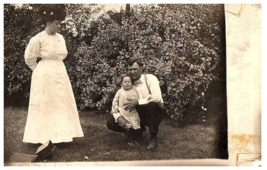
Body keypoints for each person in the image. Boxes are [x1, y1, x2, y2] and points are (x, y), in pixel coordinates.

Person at [23, 4, 84, 144]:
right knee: (46, 104)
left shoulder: (61, 38)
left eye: (59, 24)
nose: (59, 26)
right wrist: (39, 71)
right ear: (49, 23)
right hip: (44, 75)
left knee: (60, 103)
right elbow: (29, 58)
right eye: (57, 24)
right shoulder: (37, 39)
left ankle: (61, 137)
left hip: (60, 73)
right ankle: (43, 138)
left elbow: (62, 54)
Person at [107, 58, 164, 150]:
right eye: (130, 69)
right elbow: (116, 104)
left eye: (135, 69)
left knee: (152, 105)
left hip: (150, 112)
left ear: (141, 68)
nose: (132, 72)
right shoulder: (127, 83)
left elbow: (157, 97)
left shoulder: (150, 78)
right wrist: (118, 117)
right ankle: (136, 131)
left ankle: (153, 137)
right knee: (111, 122)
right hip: (133, 113)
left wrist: (138, 102)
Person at [111, 74, 141, 147]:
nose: (127, 83)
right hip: (123, 112)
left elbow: (138, 100)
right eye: (125, 82)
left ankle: (136, 140)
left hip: (133, 112)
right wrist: (116, 110)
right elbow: (115, 102)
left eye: (129, 82)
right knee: (127, 127)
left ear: (132, 83)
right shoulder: (120, 91)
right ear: (121, 83)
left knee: (136, 125)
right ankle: (129, 141)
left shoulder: (134, 91)